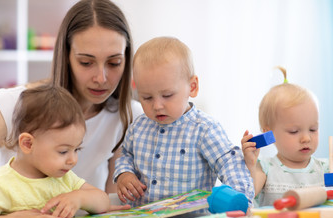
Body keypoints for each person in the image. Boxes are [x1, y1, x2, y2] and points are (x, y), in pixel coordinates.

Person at [0, 0, 143, 193]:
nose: (101, 78)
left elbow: (114, 207)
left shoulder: (129, 116)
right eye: (86, 62)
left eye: (114, 63)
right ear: (66, 56)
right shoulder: (8, 106)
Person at [113, 36, 254, 207]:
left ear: (192, 87)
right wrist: (124, 174)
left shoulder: (204, 129)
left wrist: (240, 199)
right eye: (147, 97)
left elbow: (230, 164)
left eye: (167, 95)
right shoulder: (138, 127)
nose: (157, 106)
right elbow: (126, 155)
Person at [0, 84, 110, 218]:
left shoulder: (65, 179)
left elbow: (103, 201)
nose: (73, 160)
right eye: (63, 151)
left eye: (76, 149)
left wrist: (79, 198)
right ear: (28, 144)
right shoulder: (1, 183)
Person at [241, 68, 329, 207]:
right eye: (294, 131)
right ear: (268, 134)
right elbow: (248, 194)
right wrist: (250, 165)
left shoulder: (326, 168)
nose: (306, 138)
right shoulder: (264, 168)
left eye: (313, 129)